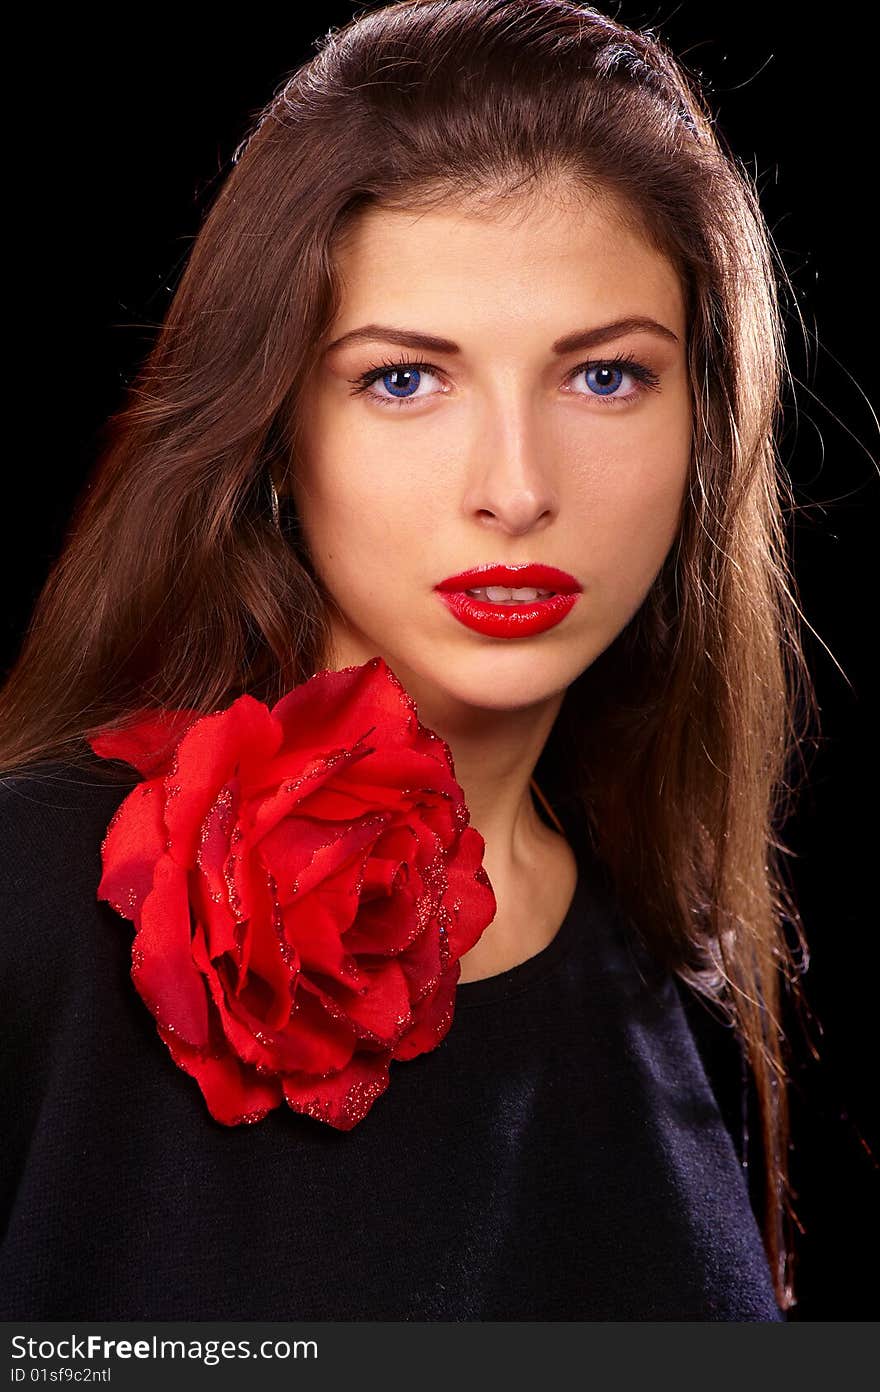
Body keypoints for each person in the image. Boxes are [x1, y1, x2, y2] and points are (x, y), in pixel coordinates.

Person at [0, 0, 815, 1320]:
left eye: (605, 378)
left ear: (705, 425)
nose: (514, 487)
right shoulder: (32, 902)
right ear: (274, 431)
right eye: (403, 381)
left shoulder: (683, 992)